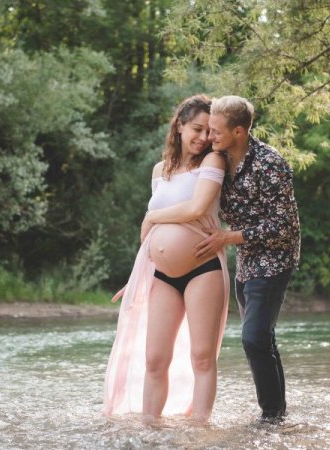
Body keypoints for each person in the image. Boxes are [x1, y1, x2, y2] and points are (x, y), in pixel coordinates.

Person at [103, 94, 230, 424]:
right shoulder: (160, 170)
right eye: (197, 129)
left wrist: (152, 217)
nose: (203, 138)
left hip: (203, 269)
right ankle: (150, 428)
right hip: (162, 275)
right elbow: (150, 240)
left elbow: (196, 209)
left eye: (208, 131)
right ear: (179, 127)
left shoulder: (212, 163)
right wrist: (135, 278)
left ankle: (201, 428)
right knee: (155, 358)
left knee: (202, 356)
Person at [194, 95, 301, 424]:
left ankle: (270, 416)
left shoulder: (270, 163)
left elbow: (284, 225)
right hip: (246, 260)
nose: (209, 138)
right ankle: (277, 414)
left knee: (253, 337)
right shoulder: (218, 161)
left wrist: (229, 237)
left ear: (239, 132)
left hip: (275, 258)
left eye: (216, 132)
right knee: (262, 338)